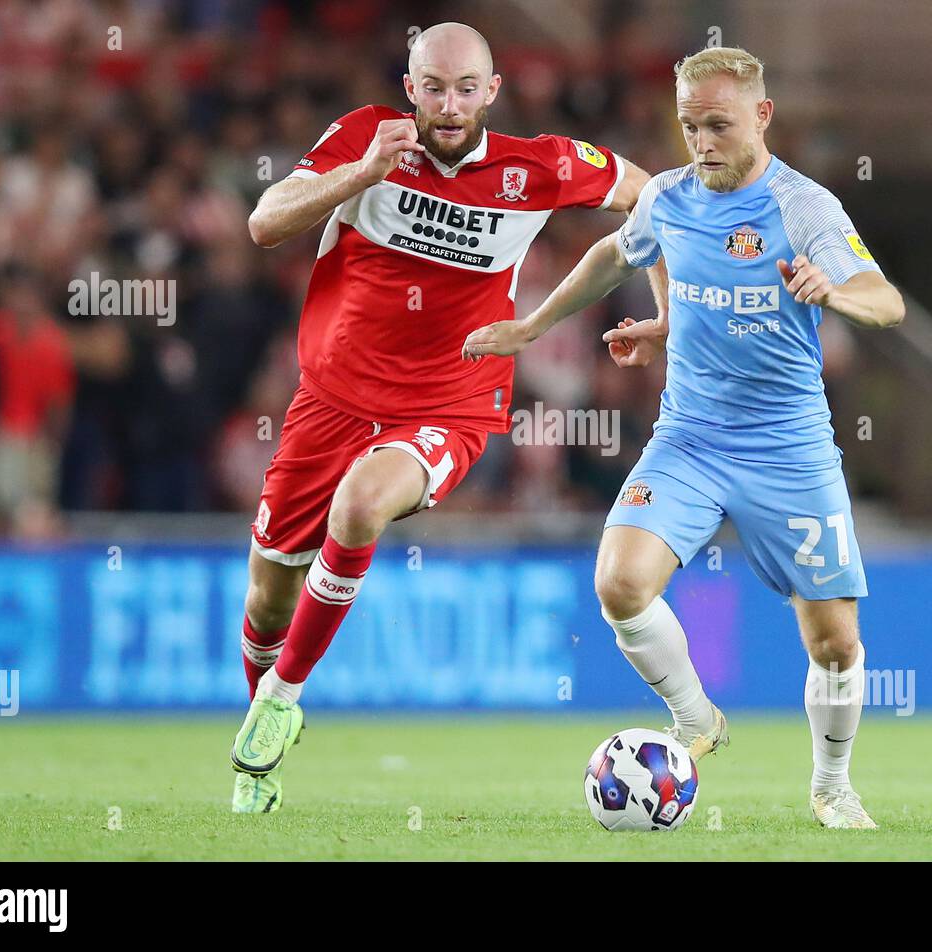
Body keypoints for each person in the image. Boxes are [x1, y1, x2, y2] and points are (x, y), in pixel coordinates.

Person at [462, 47, 904, 829]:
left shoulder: (805, 208)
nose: (702, 141)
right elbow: (612, 253)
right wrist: (533, 325)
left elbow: (886, 301)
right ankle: (696, 716)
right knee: (618, 584)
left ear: (762, 117)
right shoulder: (667, 197)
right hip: (691, 438)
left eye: (719, 126)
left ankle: (832, 785)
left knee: (834, 643)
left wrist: (832, 289)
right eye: (690, 125)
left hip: (788, 446)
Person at [230, 22, 657, 813]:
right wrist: (360, 173)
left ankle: (283, 697)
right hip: (328, 401)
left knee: (360, 505)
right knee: (265, 603)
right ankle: (263, 744)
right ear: (410, 88)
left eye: (467, 88)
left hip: (450, 402)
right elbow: (264, 222)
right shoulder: (366, 137)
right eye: (434, 87)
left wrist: (672, 304)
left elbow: (657, 199)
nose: (450, 104)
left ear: (493, 92)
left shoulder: (541, 166)